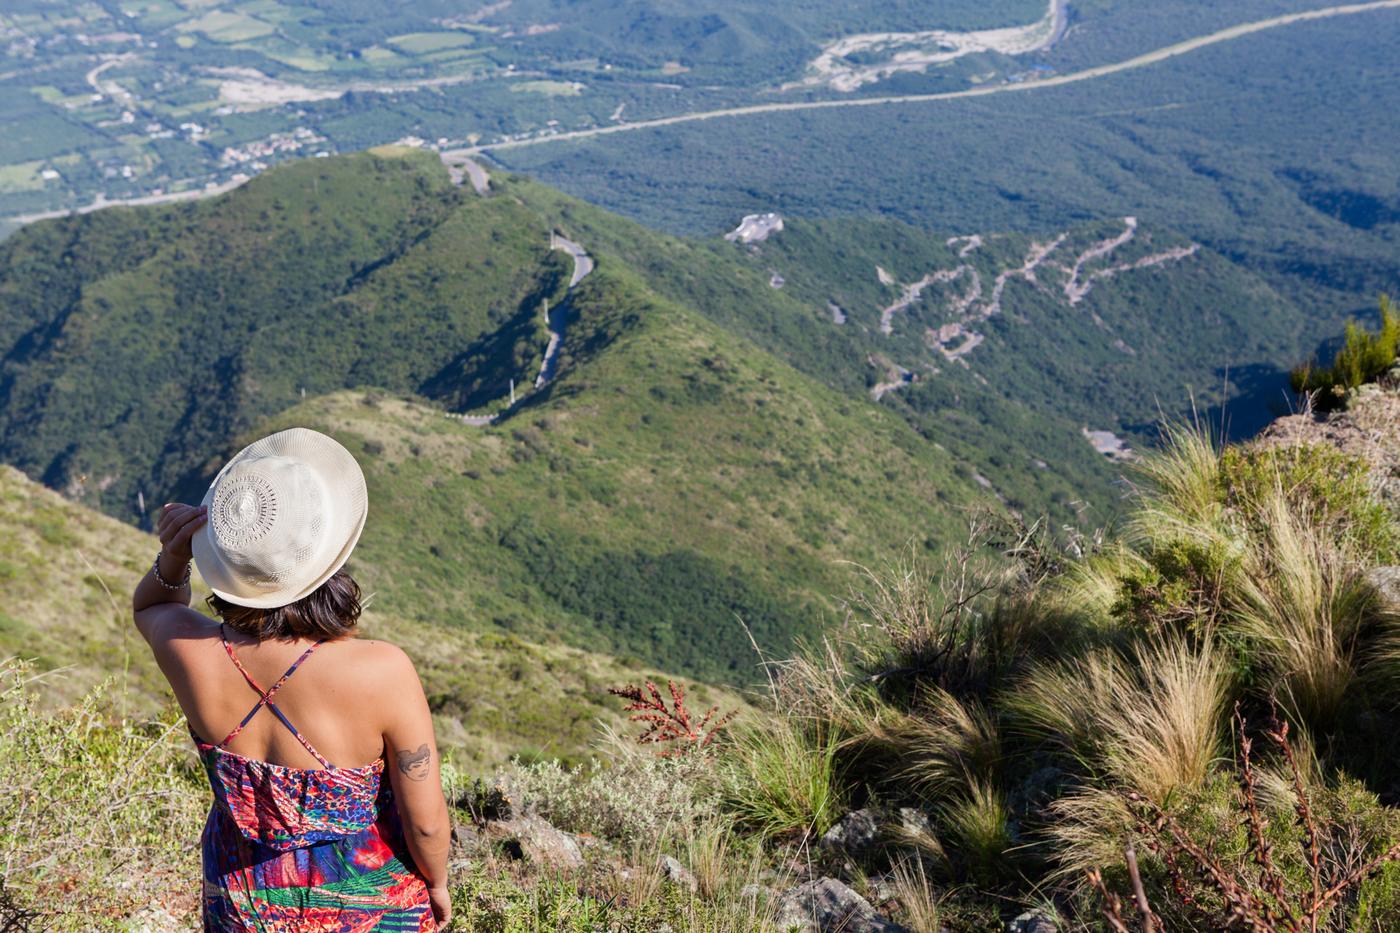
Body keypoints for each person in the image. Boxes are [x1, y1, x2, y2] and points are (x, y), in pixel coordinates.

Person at [131, 427, 451, 930]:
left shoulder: (189, 653)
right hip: (368, 903)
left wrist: (175, 554)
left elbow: (153, 604)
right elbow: (425, 822)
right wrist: (436, 883)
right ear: (326, 557)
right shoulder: (381, 670)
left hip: (242, 901)